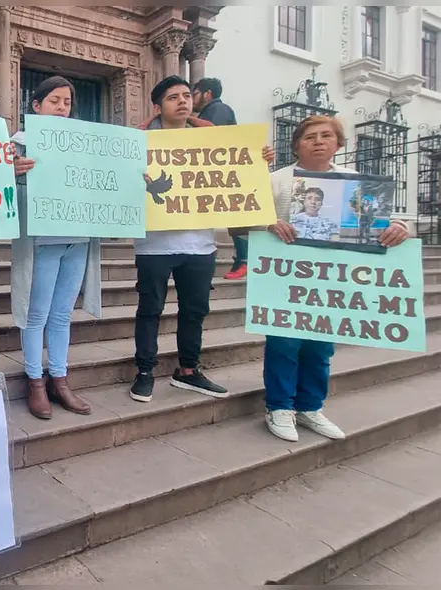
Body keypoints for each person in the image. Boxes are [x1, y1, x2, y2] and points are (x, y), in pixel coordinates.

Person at [261, 114, 408, 442]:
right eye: (309, 136)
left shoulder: (353, 181)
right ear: (296, 143)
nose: (317, 141)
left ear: (338, 144)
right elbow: (244, 219)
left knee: (321, 345)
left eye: (326, 135)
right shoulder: (276, 180)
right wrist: (269, 224)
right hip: (285, 277)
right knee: (284, 342)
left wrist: (400, 227)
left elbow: (381, 220)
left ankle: (310, 406)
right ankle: (279, 406)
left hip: (333, 280)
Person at [129, 75, 274, 404]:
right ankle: (145, 371)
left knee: (195, 310)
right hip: (154, 245)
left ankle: (188, 370)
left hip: (200, 245)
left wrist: (259, 159)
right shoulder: (138, 143)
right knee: (149, 309)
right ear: (157, 106)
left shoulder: (213, 137)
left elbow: (241, 171)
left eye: (185, 95)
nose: (182, 101)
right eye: (172, 97)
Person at [9, 76, 95, 420]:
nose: (62, 108)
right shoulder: (18, 143)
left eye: (67, 103)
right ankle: (35, 382)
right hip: (42, 240)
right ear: (37, 106)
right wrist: (12, 173)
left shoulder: (87, 144)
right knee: (36, 314)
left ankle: (59, 379)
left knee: (62, 314)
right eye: (55, 101)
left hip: (78, 238)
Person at [191, 78, 248, 280]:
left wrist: (188, 118)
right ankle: (242, 260)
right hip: (218, 171)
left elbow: (213, 133)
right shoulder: (211, 111)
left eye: (194, 93)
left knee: (236, 217)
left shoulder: (219, 109)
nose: (191, 99)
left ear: (208, 94)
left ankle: (244, 261)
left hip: (227, 171)